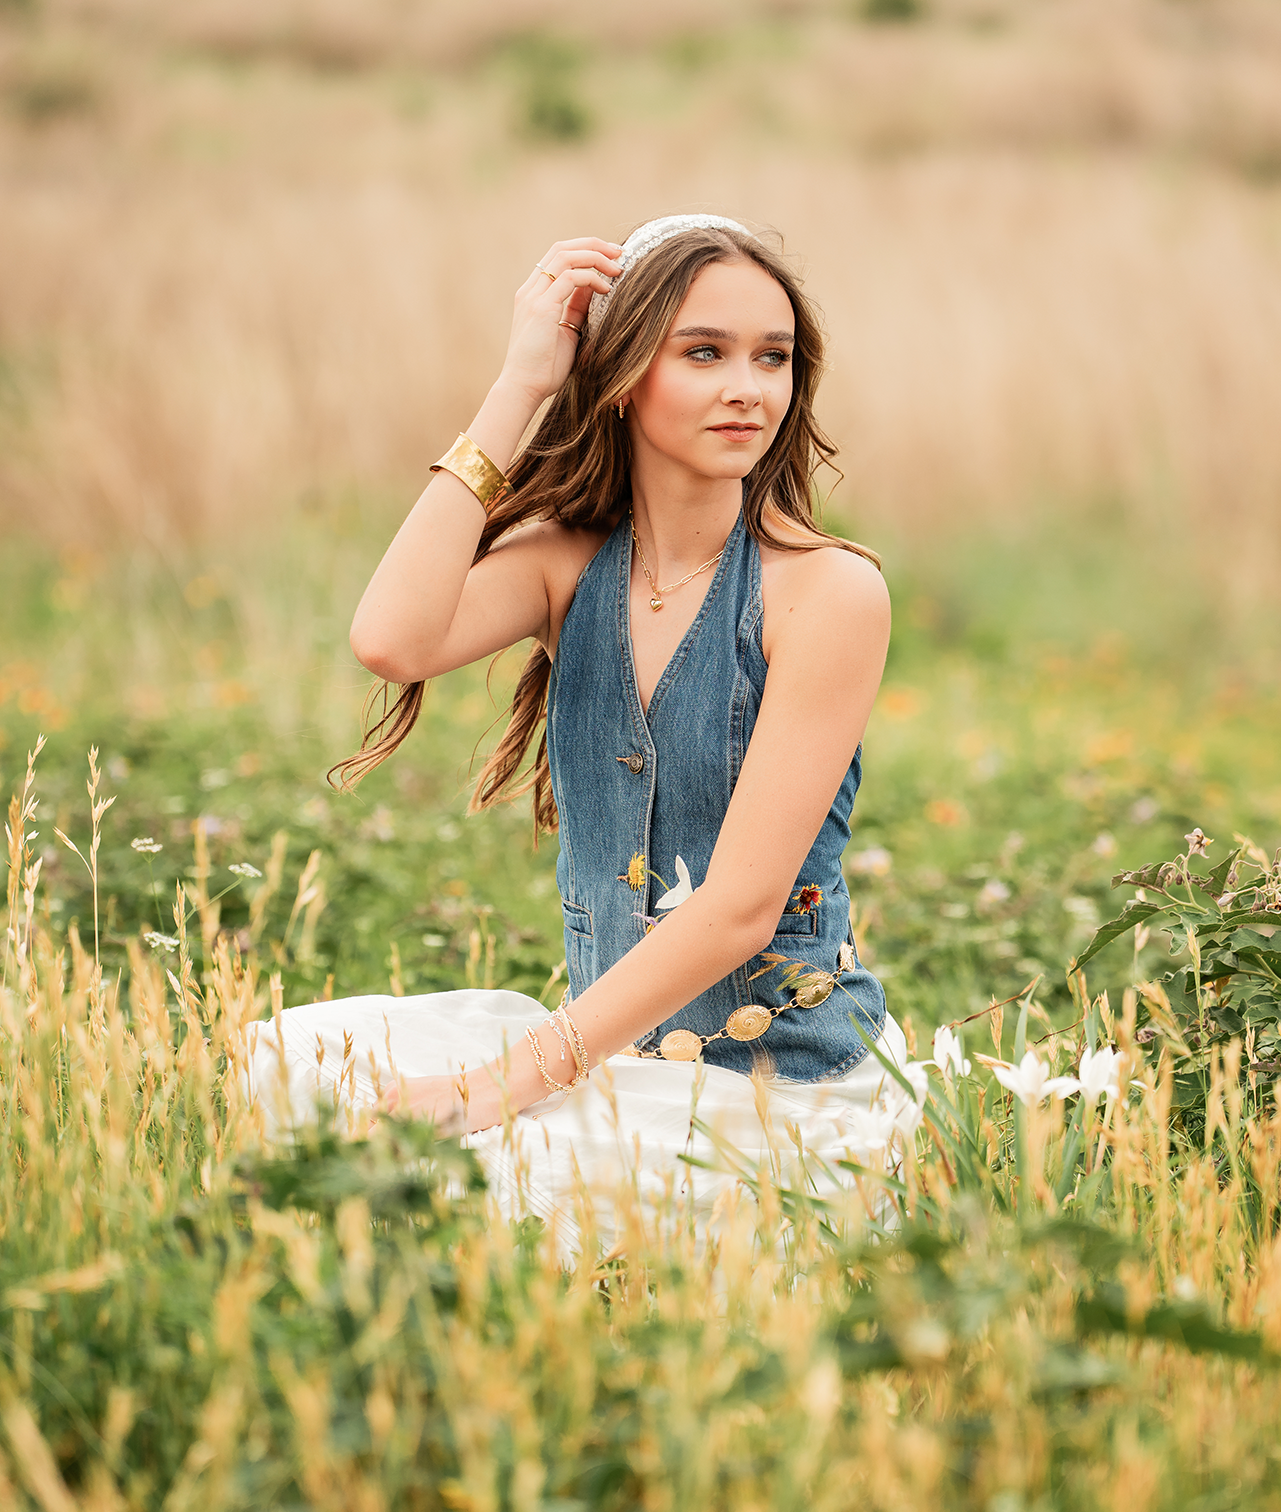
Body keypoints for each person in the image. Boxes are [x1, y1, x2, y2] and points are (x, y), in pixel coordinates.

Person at [247, 214, 925, 1248]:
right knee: (280, 1071)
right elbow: (391, 636)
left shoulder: (826, 591)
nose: (749, 385)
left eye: (772, 357)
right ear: (618, 376)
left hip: (772, 1083)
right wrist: (517, 385)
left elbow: (740, 909)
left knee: (457, 1186)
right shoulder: (569, 564)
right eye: (703, 352)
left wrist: (496, 1087)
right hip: (603, 1056)